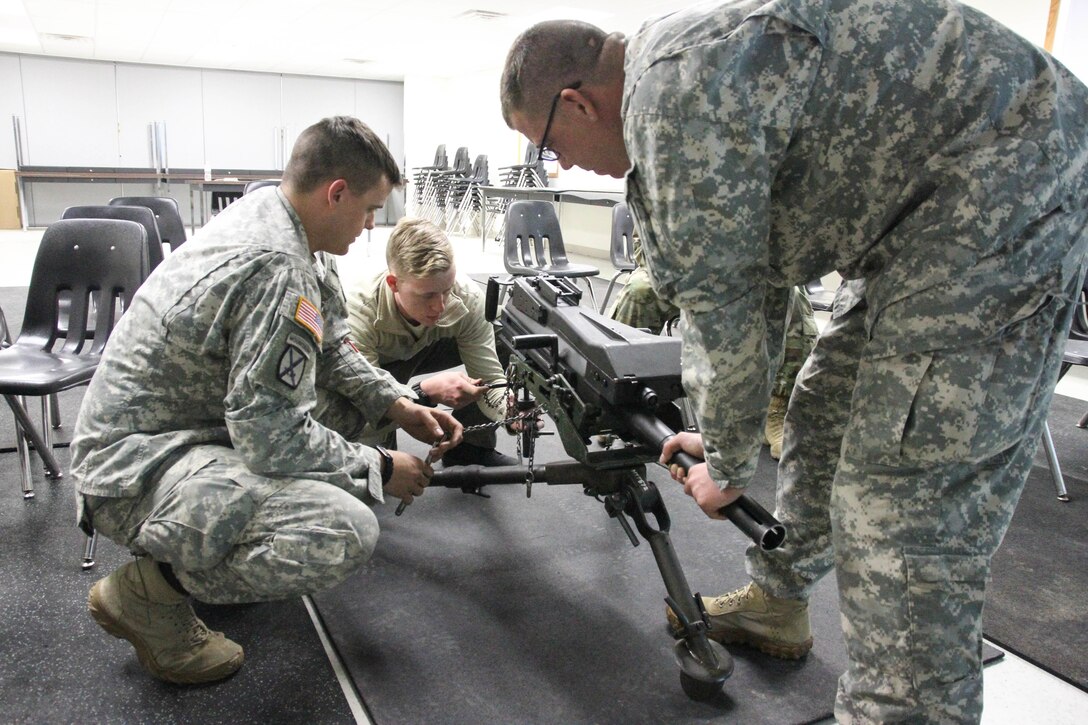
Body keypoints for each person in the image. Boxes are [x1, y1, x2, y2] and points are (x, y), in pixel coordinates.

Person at [499, 1, 1088, 721]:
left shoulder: (669, 96)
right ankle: (779, 601)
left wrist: (724, 461)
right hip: (924, 224)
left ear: (577, 101)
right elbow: (760, 279)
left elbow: (727, 301)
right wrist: (723, 445)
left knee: (899, 510)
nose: (560, 163)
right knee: (826, 408)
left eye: (549, 144)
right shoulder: (678, 74)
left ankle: (902, 710)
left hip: (1006, 198)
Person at [71, 116, 462, 685]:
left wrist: (398, 403)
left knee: (359, 411)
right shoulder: (280, 266)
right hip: (132, 468)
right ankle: (150, 595)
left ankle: (217, 538)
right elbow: (270, 433)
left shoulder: (292, 229)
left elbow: (332, 351)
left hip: (190, 426)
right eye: (370, 209)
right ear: (336, 193)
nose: (373, 226)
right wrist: (378, 467)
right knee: (343, 532)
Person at [608, 233, 817, 459]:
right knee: (639, 290)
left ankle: (775, 408)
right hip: (676, 269)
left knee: (791, 296)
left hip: (740, 271)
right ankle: (619, 399)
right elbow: (646, 244)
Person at [346, 217, 518, 467]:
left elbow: (490, 379)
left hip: (428, 349)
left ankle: (469, 446)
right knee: (375, 467)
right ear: (393, 284)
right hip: (377, 366)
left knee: (503, 329)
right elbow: (366, 405)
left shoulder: (467, 298)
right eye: (427, 295)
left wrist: (511, 412)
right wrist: (424, 393)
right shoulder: (357, 312)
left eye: (447, 289)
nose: (440, 306)